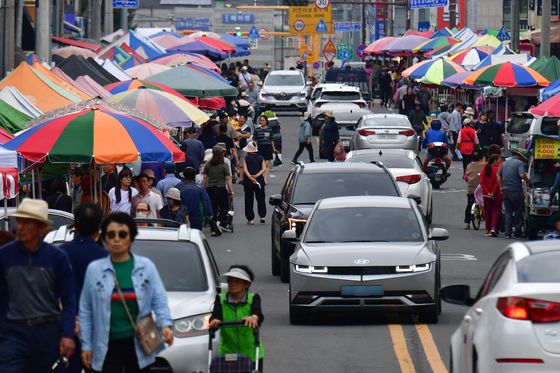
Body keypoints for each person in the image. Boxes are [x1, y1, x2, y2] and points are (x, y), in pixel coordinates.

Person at [79, 213, 173, 372]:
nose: (116, 239)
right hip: (105, 345)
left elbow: (159, 299)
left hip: (139, 343)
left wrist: (165, 325)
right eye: (111, 235)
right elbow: (86, 310)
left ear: (131, 238)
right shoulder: (94, 270)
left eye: (122, 234)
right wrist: (86, 345)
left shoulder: (146, 267)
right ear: (104, 238)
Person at [0, 198, 76, 372]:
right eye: (19, 221)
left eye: (27, 223)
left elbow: (69, 300)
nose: (20, 227)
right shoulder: (4, 256)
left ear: (41, 228)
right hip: (12, 333)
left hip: (47, 333)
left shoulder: (57, 258)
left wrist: (67, 335)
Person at [60, 203, 107, 373]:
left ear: (75, 226)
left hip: (67, 327)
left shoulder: (60, 253)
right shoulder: (105, 256)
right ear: (98, 228)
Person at [208, 265, 264, 371]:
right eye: (230, 281)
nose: (232, 284)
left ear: (246, 284)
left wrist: (253, 317)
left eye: (237, 281)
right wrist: (214, 321)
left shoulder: (254, 298)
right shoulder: (220, 299)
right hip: (227, 354)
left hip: (251, 352)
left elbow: (258, 314)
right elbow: (215, 316)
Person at [497, 149, 532, 238]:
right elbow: (521, 175)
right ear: (520, 156)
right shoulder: (519, 163)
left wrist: (501, 186)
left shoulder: (505, 163)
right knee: (518, 212)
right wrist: (528, 181)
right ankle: (517, 231)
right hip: (515, 190)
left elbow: (498, 175)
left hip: (505, 190)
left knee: (508, 212)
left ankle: (507, 233)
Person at [203, 146, 235, 236]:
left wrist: (203, 188)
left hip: (210, 189)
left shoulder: (208, 164)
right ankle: (218, 221)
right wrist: (231, 190)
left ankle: (214, 225)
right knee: (225, 208)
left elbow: (205, 178)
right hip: (221, 188)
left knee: (213, 208)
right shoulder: (224, 165)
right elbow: (228, 179)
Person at [242, 143, 267, 225]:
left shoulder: (246, 158)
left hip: (248, 182)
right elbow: (264, 168)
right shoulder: (261, 158)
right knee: (261, 199)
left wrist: (251, 177)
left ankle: (250, 219)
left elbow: (245, 169)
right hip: (259, 181)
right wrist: (256, 176)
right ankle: (262, 216)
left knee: (249, 200)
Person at [480, 154, 503, 237]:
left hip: (486, 195)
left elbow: (482, 182)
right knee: (496, 211)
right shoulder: (498, 170)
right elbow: (498, 183)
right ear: (495, 160)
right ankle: (493, 227)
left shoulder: (485, 168)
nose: (499, 162)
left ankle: (487, 229)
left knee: (487, 212)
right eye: (498, 160)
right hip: (496, 195)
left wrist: (487, 192)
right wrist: (493, 192)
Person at [463, 152, 485, 230]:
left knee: (469, 205)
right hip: (482, 190)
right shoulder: (485, 165)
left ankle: (467, 223)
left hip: (471, 189)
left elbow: (465, 177)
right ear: (481, 158)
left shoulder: (469, 165)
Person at [253, 115, 276, 183]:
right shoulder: (257, 129)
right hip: (260, 147)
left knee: (267, 164)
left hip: (268, 148)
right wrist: (256, 147)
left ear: (266, 121)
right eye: (260, 120)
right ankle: (261, 177)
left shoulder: (269, 129)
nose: (262, 122)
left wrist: (273, 148)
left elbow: (272, 140)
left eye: (263, 120)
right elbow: (254, 139)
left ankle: (265, 178)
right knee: (261, 164)